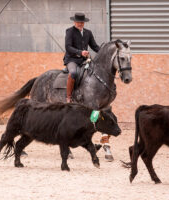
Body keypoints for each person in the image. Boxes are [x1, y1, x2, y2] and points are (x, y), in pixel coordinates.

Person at [63, 13, 114, 161]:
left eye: (82, 22)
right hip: (72, 60)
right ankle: (69, 96)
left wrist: (105, 52)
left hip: (85, 61)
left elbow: (95, 47)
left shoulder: (88, 33)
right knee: (73, 74)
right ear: (75, 22)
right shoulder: (69, 32)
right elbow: (68, 47)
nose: (80, 24)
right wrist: (80, 52)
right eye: (78, 22)